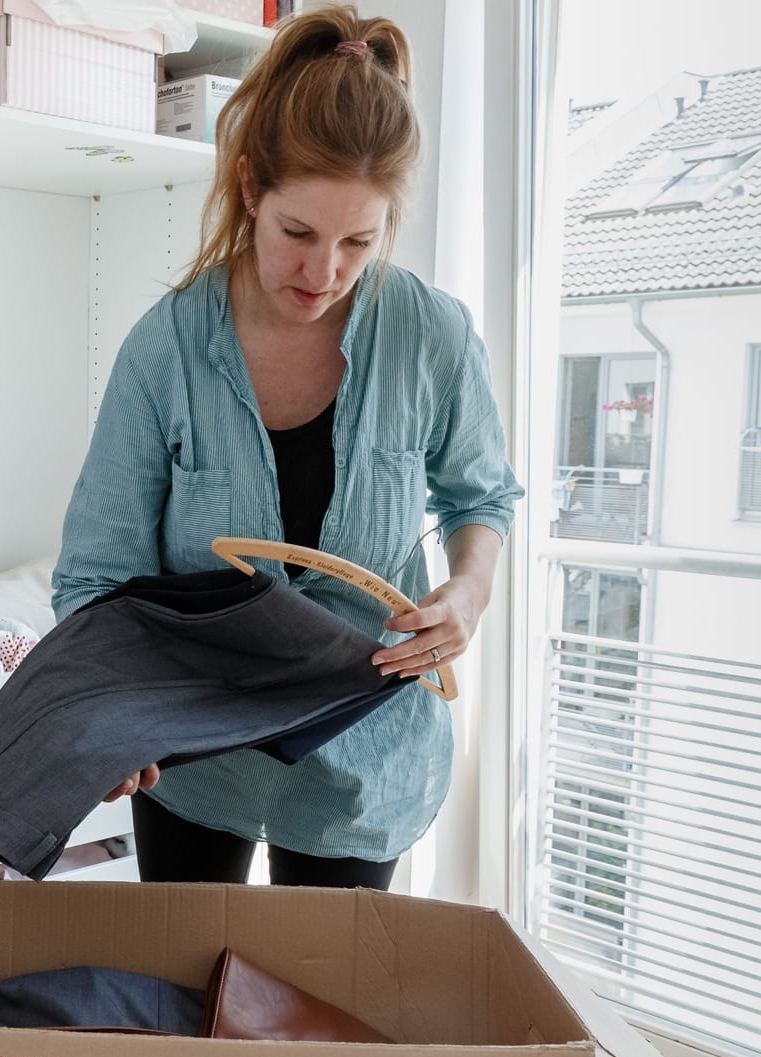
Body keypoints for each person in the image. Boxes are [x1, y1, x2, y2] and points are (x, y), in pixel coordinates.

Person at [51, 5, 523, 890]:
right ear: (249, 188)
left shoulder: (433, 334)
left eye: (359, 241)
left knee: (319, 1014)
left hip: (366, 748)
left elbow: (481, 498)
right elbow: (96, 578)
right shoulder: (168, 349)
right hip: (192, 741)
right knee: (189, 996)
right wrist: (113, 719)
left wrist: (467, 590)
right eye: (298, 234)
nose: (324, 274)